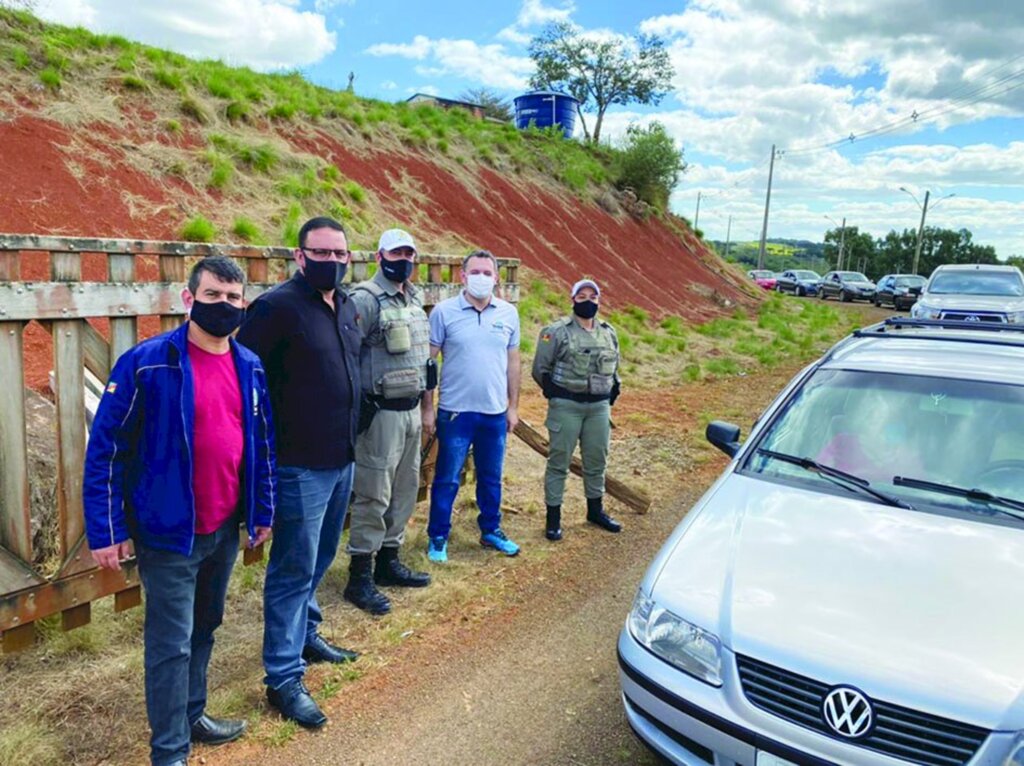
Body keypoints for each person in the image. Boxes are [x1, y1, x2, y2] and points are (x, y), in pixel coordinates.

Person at [82, 256, 276, 766]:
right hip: (169, 534)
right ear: (188, 299)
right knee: (170, 644)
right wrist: (105, 530)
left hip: (223, 527)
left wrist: (261, 510)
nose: (224, 306)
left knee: (205, 626)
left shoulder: (250, 365)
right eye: (213, 296)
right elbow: (106, 448)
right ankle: (169, 751)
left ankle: (193, 715)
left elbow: (261, 444)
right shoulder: (147, 363)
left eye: (234, 298)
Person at [236, 216, 362, 730]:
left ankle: (306, 636)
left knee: (319, 559)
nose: (331, 261)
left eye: (340, 254)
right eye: (322, 252)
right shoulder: (276, 308)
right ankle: (283, 678)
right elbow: (247, 385)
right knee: (291, 571)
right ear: (300, 254)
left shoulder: (347, 305)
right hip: (297, 465)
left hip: (341, 459)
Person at [344, 228, 434, 615]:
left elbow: (425, 362)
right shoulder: (365, 299)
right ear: (379, 256)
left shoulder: (414, 297)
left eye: (410, 254)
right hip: (379, 414)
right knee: (373, 494)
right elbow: (347, 355)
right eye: (397, 253)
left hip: (412, 410)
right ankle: (359, 575)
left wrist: (428, 408)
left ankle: (388, 561)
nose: (405, 260)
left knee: (404, 488)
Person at [423, 249, 521, 562]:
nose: (481, 278)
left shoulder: (508, 314)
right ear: (463, 276)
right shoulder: (443, 312)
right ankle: (438, 536)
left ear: (495, 278)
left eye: (487, 273)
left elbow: (513, 361)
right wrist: (428, 407)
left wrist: (513, 406)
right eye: (475, 272)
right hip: (455, 412)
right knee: (447, 477)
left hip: (494, 413)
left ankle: (491, 529)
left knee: (491, 476)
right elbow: (429, 361)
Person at [532, 279, 622, 540]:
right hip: (566, 406)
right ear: (572, 300)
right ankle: (553, 520)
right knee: (559, 462)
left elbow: (616, 368)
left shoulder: (608, 332)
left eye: (593, 297)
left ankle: (595, 511)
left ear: (599, 301)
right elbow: (540, 369)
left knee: (597, 462)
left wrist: (611, 394)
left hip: (598, 408)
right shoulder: (557, 331)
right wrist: (556, 395)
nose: (588, 301)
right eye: (581, 296)